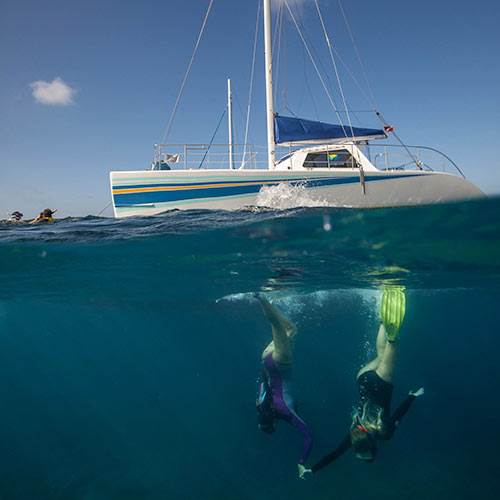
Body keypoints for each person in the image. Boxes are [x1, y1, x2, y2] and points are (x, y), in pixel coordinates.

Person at [301, 286, 424, 478]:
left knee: (393, 343)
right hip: (362, 379)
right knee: (381, 354)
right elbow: (334, 454)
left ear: (374, 446)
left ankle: (391, 321)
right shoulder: (353, 435)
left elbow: (399, 415)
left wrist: (411, 397)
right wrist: (311, 469)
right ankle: (383, 320)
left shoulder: (384, 433)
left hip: (381, 382)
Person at [255, 294, 313, 478]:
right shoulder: (260, 403)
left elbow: (308, 437)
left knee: (276, 325)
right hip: (266, 360)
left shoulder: (286, 414)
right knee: (291, 329)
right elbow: (262, 381)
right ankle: (267, 300)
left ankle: (261, 296)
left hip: (282, 362)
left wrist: (301, 462)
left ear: (274, 422)